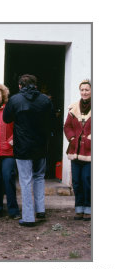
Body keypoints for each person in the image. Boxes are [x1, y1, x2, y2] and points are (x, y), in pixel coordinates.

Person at [3, 74, 53, 227]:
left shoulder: (15, 100)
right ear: (35, 85)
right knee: (39, 177)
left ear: (20, 86)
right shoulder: (45, 100)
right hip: (40, 145)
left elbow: (6, 119)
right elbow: (52, 120)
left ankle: (28, 216)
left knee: (25, 180)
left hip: (23, 146)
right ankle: (40, 210)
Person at [0, 83, 21, 220]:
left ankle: (13, 211)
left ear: (3, 96)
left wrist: (11, 142)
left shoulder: (9, 109)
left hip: (8, 151)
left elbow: (17, 127)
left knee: (8, 178)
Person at [63, 79, 91, 221]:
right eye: (82, 90)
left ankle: (89, 208)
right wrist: (72, 138)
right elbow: (67, 126)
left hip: (90, 152)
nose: (84, 92)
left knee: (87, 180)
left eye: (87, 90)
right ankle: (79, 208)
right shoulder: (73, 108)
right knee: (77, 181)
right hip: (75, 151)